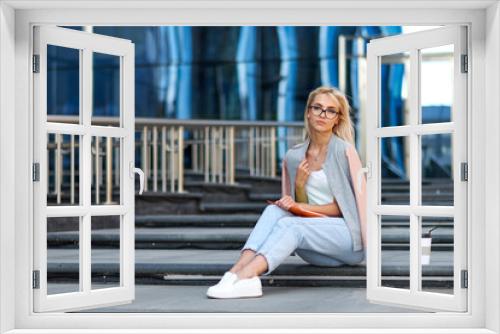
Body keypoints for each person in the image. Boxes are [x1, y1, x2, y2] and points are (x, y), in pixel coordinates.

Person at [206, 86, 368, 299]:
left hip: (347, 240)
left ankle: (248, 277)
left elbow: (343, 208)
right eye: (317, 108)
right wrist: (300, 187)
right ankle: (234, 273)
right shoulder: (294, 157)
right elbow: (297, 211)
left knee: (290, 223)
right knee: (274, 212)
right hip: (316, 246)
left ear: (337, 119)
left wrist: (299, 206)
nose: (322, 114)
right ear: (308, 112)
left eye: (330, 111)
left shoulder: (344, 151)